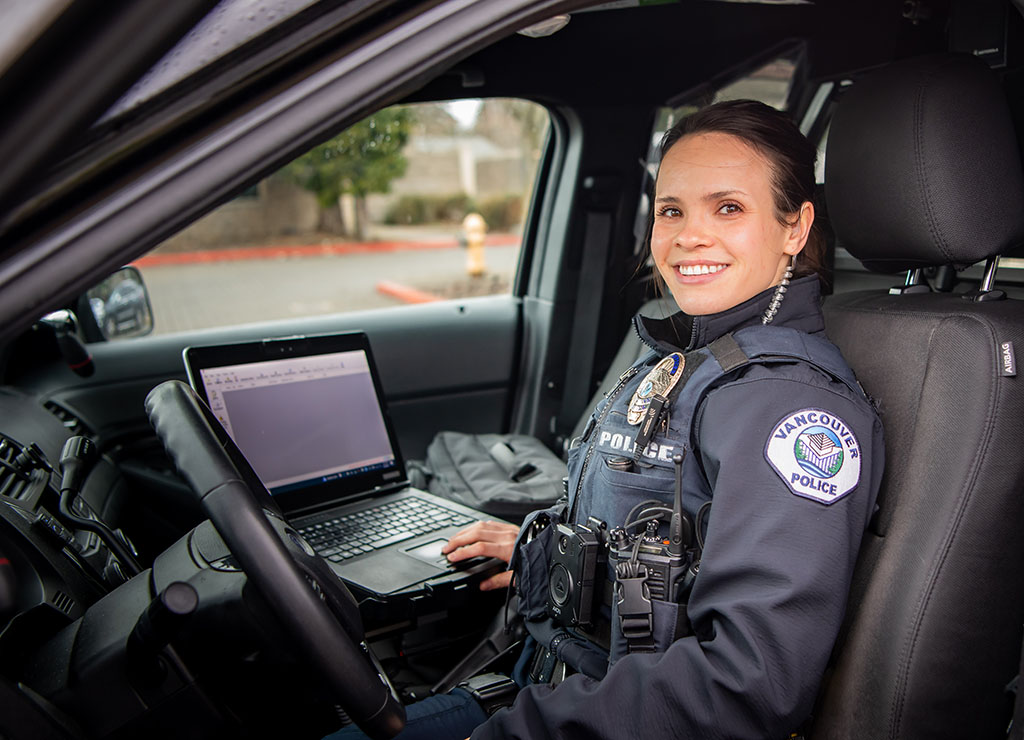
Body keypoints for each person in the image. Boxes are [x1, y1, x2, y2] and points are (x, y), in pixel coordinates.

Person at [327, 99, 884, 740]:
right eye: (672, 210)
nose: (687, 236)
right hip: (550, 686)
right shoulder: (690, 357)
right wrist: (548, 554)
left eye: (728, 208)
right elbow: (671, 543)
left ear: (795, 227)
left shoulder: (791, 408)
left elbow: (744, 685)